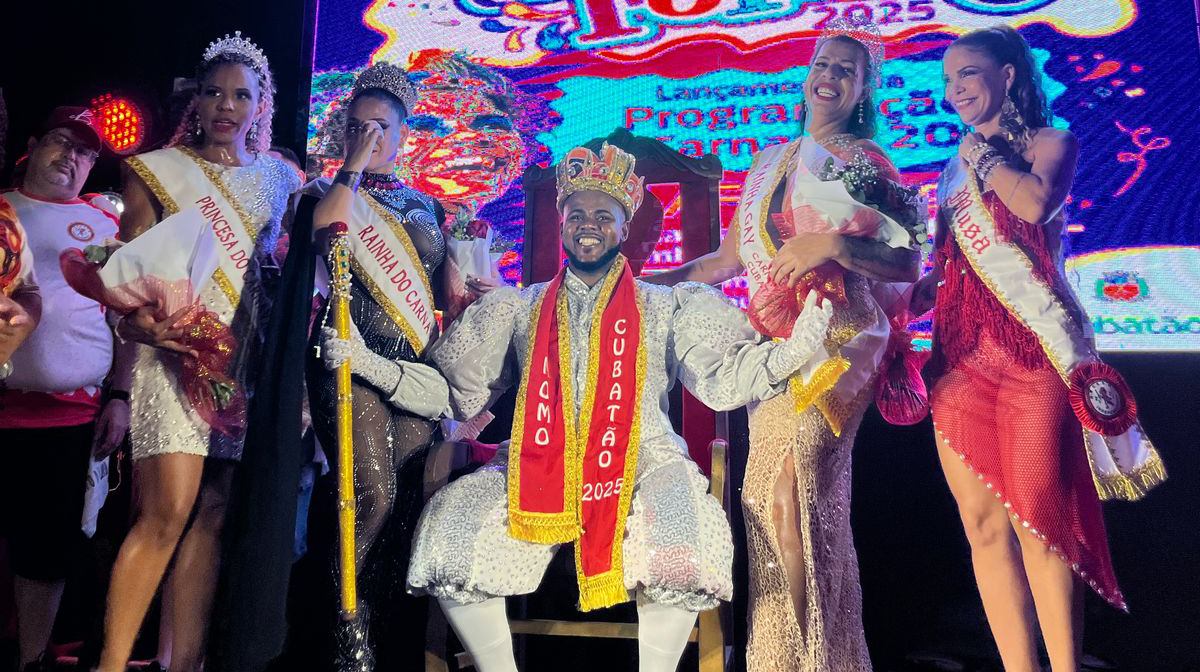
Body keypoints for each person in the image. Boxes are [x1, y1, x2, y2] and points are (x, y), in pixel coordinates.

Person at [404, 142, 837, 672]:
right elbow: (452, 390)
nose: (588, 225)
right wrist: (374, 366)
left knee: (682, 544)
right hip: (538, 457)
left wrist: (793, 351)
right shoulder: (519, 306)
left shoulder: (666, 304)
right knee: (451, 533)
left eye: (603, 216)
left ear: (624, 228)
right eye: (576, 215)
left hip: (645, 457)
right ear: (562, 224)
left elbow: (723, 379)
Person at [645, 20, 923, 671]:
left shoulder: (867, 163)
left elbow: (907, 260)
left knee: (790, 498)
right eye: (822, 63)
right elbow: (724, 262)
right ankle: (791, 657)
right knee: (768, 508)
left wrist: (832, 244)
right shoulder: (770, 161)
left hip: (836, 346)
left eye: (846, 70)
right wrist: (640, 284)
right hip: (771, 353)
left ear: (864, 90)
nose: (829, 76)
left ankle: (814, 659)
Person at [906, 26, 1165, 672]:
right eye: (947, 80)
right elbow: (941, 271)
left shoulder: (1051, 143)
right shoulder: (950, 174)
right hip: (960, 359)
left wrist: (982, 158)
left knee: (1040, 524)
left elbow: (1035, 203)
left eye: (967, 74)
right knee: (983, 528)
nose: (954, 90)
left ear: (1008, 76)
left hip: (1033, 355)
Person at [95, 32, 299, 672]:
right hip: (175, 360)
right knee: (166, 514)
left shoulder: (280, 180)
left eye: (241, 95)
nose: (226, 106)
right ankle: (109, 664)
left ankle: (183, 663)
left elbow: (287, 270)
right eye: (214, 92)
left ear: (262, 105)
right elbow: (125, 279)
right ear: (197, 100)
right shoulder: (156, 169)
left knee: (212, 513)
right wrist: (141, 328)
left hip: (243, 367)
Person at [300, 59, 449, 671]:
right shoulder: (327, 191)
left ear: (404, 133)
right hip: (346, 355)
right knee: (371, 493)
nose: (369, 137)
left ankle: (386, 631)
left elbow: (442, 289)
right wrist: (353, 168)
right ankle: (346, 631)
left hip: (411, 364)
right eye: (357, 127)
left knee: (405, 500)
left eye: (381, 128)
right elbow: (325, 232)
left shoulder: (429, 205)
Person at [0, 106, 129, 672]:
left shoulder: (103, 223)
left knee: (47, 552)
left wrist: (120, 396)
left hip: (69, 416)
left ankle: (31, 661)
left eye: (84, 152)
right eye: (61, 142)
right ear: (32, 146)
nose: (71, 157)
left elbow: (127, 318)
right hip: (3, 408)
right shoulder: (3, 212)